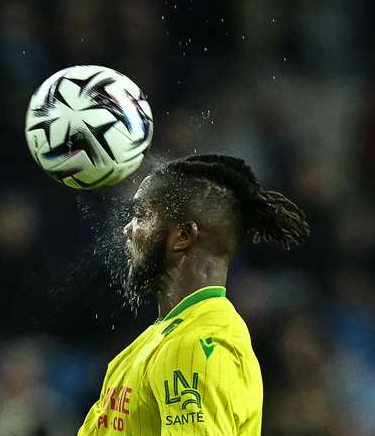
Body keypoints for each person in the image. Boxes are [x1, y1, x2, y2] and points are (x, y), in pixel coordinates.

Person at [78, 154, 309, 435]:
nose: (128, 230)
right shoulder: (159, 340)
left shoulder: (197, 346)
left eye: (141, 216)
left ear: (183, 236)